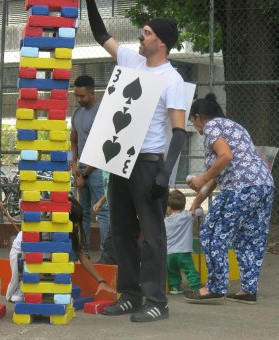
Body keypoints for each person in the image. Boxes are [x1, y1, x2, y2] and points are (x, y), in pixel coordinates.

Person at [85, 1, 187, 322]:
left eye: (146, 34)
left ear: (161, 42)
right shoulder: (131, 61)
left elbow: (180, 131)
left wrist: (165, 174)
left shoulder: (172, 79)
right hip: (120, 161)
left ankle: (157, 302)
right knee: (122, 231)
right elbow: (101, 34)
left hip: (148, 165)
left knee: (153, 235)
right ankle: (130, 295)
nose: (140, 39)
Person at [184, 93, 275, 304]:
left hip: (240, 188)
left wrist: (201, 178)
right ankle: (249, 290)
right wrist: (198, 198)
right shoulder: (235, 127)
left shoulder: (211, 126)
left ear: (199, 117)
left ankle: (214, 287)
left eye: (194, 122)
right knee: (250, 238)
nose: (197, 129)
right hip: (263, 185)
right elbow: (220, 174)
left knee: (212, 232)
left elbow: (226, 157)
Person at [6, 194, 116, 302]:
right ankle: (22, 283)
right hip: (22, 252)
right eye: (76, 222)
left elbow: (82, 256)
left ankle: (49, 283)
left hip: (41, 255)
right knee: (15, 295)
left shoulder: (67, 232)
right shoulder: (45, 222)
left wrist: (101, 281)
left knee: (64, 251)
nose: (77, 226)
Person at [71, 75, 110, 256]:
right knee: (81, 213)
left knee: (102, 211)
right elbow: (74, 141)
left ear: (92, 93)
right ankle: (83, 253)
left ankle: (106, 254)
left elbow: (105, 146)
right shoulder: (77, 114)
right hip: (81, 170)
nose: (79, 99)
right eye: (76, 96)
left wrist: (85, 173)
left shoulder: (103, 112)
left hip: (98, 170)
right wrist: (75, 167)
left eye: (82, 96)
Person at [165, 189, 201, 295]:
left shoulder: (165, 221)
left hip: (169, 254)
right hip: (184, 253)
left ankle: (175, 287)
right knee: (190, 270)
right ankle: (196, 288)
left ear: (169, 208)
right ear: (183, 206)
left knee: (173, 272)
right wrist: (198, 197)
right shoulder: (187, 217)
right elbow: (194, 210)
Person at [93, 170, 116, 265]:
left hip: (119, 207)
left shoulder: (113, 170)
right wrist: (101, 201)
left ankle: (107, 260)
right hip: (112, 206)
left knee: (110, 238)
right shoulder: (104, 171)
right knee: (111, 236)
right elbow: (108, 189)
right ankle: (107, 259)